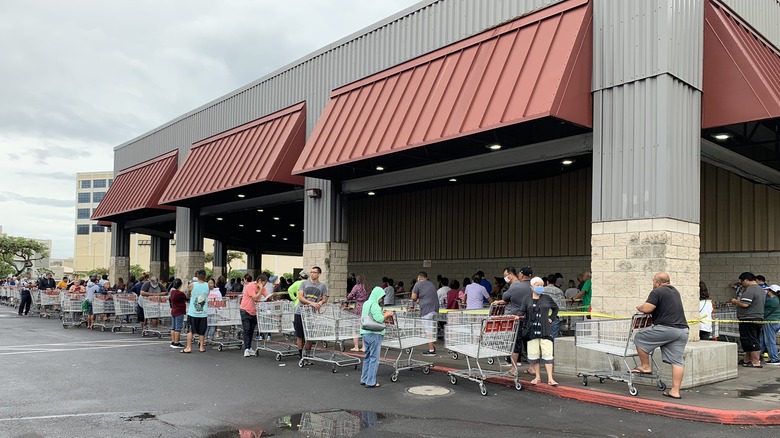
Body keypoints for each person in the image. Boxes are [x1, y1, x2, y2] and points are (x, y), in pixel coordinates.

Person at [633, 272, 689, 399]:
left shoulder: (657, 292)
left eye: (653, 281)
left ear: (658, 282)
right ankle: (675, 391)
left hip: (667, 328)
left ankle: (645, 366)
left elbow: (647, 308)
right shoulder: (675, 291)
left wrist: (639, 306)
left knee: (639, 337)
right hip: (682, 330)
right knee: (677, 361)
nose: (653, 283)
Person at [518, 277, 559, 386]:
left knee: (548, 354)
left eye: (541, 285)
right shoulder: (527, 298)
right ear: (531, 287)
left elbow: (555, 308)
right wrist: (517, 317)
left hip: (545, 330)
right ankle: (537, 377)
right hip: (532, 331)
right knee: (534, 355)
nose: (539, 287)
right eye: (537, 285)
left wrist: (551, 318)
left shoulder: (547, 298)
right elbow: (521, 312)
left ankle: (550, 378)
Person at [495, 266, 533, 372]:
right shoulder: (534, 286)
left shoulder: (515, 287)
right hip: (531, 318)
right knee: (531, 343)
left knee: (516, 343)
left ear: (520, 274)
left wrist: (498, 302)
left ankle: (514, 368)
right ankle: (533, 368)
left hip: (517, 318)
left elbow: (505, 298)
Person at [732, 272, 766, 368]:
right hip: (757, 317)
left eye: (742, 281)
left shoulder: (750, 290)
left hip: (749, 318)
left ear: (746, 280)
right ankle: (748, 359)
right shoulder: (761, 290)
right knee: (749, 340)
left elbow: (745, 304)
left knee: (752, 340)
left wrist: (735, 301)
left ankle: (755, 361)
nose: (742, 284)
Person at [360, 286, 392, 388]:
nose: (381, 299)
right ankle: (371, 381)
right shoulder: (375, 305)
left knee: (368, 357)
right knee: (374, 358)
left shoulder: (366, 303)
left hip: (365, 332)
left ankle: (364, 379)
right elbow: (379, 319)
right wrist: (387, 314)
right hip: (374, 333)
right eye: (381, 297)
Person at [295, 266, 329, 358]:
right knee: (300, 334)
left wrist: (320, 302)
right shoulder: (304, 283)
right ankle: (300, 354)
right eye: (311, 272)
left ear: (319, 274)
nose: (312, 274)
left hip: (311, 314)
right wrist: (312, 303)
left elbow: (325, 297)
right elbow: (300, 297)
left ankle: (308, 353)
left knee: (310, 335)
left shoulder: (322, 286)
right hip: (300, 312)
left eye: (314, 272)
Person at [411, 271, 438, 356]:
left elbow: (413, 297)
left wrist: (417, 299)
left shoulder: (418, 284)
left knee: (428, 330)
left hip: (426, 310)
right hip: (435, 309)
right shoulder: (431, 284)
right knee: (431, 329)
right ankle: (432, 346)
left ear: (419, 278)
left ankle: (431, 350)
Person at [182, 269, 210, 354]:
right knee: (202, 331)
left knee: (191, 331)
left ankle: (188, 347)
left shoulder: (192, 285)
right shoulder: (208, 285)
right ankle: (201, 347)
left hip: (193, 312)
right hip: (203, 313)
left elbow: (187, 295)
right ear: (205, 276)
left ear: (197, 276)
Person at [347, 274, 369, 352]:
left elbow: (350, 296)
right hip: (366, 307)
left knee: (355, 328)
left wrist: (352, 297)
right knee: (364, 328)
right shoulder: (367, 287)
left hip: (358, 307)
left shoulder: (357, 286)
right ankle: (364, 347)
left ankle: (356, 346)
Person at [761, 285, 780, 365]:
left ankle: (774, 359)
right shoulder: (777, 300)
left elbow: (761, 303)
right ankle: (756, 356)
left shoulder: (771, 300)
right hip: (776, 322)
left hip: (769, 322)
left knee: (769, 341)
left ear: (771, 291)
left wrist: (763, 294)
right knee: (762, 340)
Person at [168, 279, 187, 348]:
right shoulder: (180, 293)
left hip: (173, 310)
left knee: (173, 327)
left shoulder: (172, 292)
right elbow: (186, 298)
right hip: (179, 311)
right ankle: (176, 342)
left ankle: (173, 341)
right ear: (180, 285)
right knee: (178, 328)